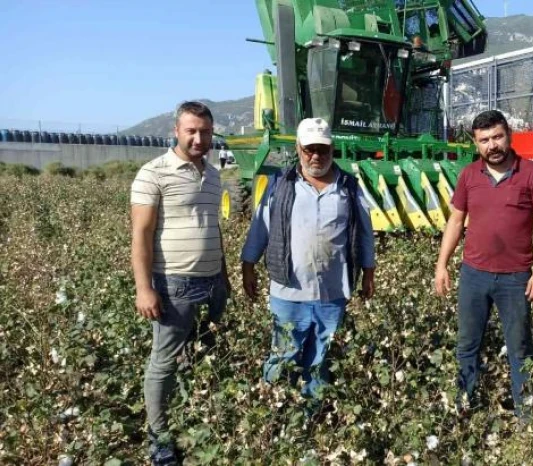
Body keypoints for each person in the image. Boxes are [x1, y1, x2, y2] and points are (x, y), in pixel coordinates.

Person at [240, 117, 376, 403]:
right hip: (288, 291)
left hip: (333, 292)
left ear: (333, 149)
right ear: (298, 148)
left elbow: (364, 234)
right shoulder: (280, 184)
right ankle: (273, 413)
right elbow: (260, 228)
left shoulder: (349, 188)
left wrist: (368, 275)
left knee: (320, 358)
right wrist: (248, 266)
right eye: (309, 149)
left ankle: (310, 413)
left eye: (323, 149)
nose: (316, 156)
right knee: (283, 355)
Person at [434, 109, 533, 420]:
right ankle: (465, 408)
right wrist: (442, 264)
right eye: (484, 140)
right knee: (467, 345)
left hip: (516, 279)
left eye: (497, 137)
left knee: (519, 351)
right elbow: (456, 220)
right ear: (476, 144)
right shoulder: (469, 175)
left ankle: (525, 419)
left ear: (509, 136)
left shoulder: (532, 173)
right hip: (473, 275)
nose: (492, 145)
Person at [130, 101, 230, 466]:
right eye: (191, 130)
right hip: (174, 283)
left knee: (205, 352)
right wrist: (144, 288)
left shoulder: (214, 173)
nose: (199, 137)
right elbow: (140, 235)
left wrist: (225, 275)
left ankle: (194, 416)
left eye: (205, 131)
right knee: (164, 361)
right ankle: (159, 438)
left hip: (213, 281)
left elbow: (212, 228)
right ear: (177, 131)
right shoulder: (153, 173)